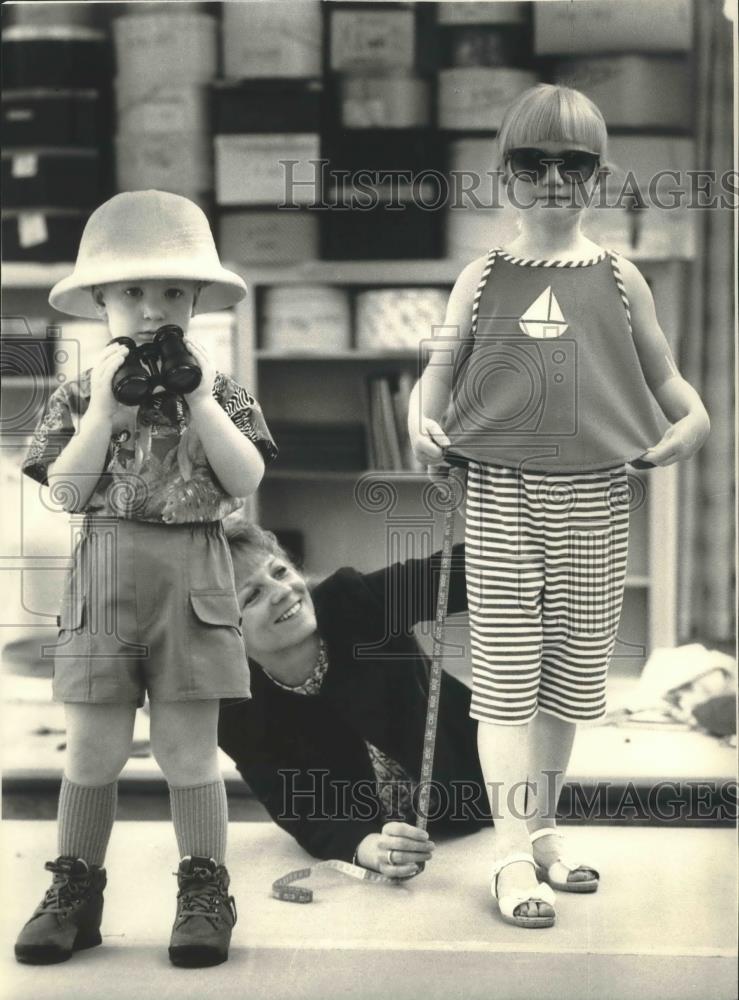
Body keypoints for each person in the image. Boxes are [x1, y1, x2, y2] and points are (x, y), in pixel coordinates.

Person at [407, 84, 710, 929]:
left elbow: (661, 374)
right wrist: (420, 426)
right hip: (502, 492)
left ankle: (541, 828)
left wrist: (695, 415)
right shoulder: (479, 277)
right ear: (503, 174)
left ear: (597, 176)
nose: (551, 179)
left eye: (571, 163)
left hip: (598, 494)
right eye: (530, 163)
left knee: (571, 678)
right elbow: (435, 375)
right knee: (506, 679)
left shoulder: (620, 278)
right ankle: (507, 855)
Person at [15, 190, 277, 967]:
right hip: (101, 573)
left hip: (194, 574)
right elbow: (62, 492)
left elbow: (245, 477)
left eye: (171, 292)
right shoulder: (76, 396)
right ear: (99, 301)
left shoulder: (219, 393)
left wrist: (198, 399)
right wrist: (101, 413)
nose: (151, 307)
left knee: (188, 754)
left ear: (197, 303)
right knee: (90, 750)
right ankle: (75, 888)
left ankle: (203, 889)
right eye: (130, 291)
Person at [218, 523, 492, 879]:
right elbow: (297, 808)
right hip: (399, 856)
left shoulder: (352, 599)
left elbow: (448, 576)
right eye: (251, 596)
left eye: (280, 571)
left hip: (486, 800)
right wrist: (367, 847)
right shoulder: (235, 710)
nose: (282, 591)